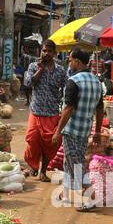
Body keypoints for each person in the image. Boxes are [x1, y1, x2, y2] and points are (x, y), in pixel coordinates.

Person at [52, 47, 105, 210]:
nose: (69, 63)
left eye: (70, 59)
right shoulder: (96, 81)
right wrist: (96, 131)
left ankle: (92, 198)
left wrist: (57, 131)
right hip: (85, 131)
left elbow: (68, 108)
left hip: (72, 131)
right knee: (70, 163)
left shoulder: (73, 81)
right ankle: (66, 194)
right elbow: (100, 108)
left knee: (77, 165)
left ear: (77, 61)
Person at [23, 39, 67, 180]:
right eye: (44, 50)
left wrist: (64, 104)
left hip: (52, 112)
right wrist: (40, 69)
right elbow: (28, 83)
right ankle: (33, 166)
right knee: (32, 140)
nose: (46, 53)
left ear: (54, 53)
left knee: (49, 144)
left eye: (49, 51)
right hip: (36, 111)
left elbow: (66, 88)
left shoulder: (60, 71)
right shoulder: (33, 66)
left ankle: (43, 171)